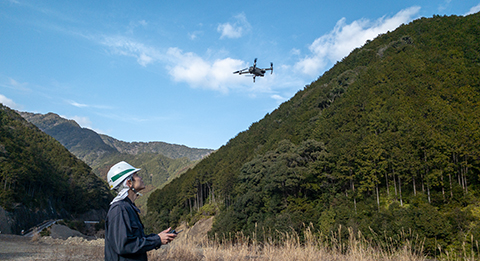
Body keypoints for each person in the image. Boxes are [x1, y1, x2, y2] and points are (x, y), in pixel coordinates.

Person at [105, 161, 176, 261]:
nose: (140, 178)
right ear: (129, 183)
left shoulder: (128, 207)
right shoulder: (119, 209)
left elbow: (135, 240)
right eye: (136, 175)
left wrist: (158, 237)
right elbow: (124, 245)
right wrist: (157, 240)